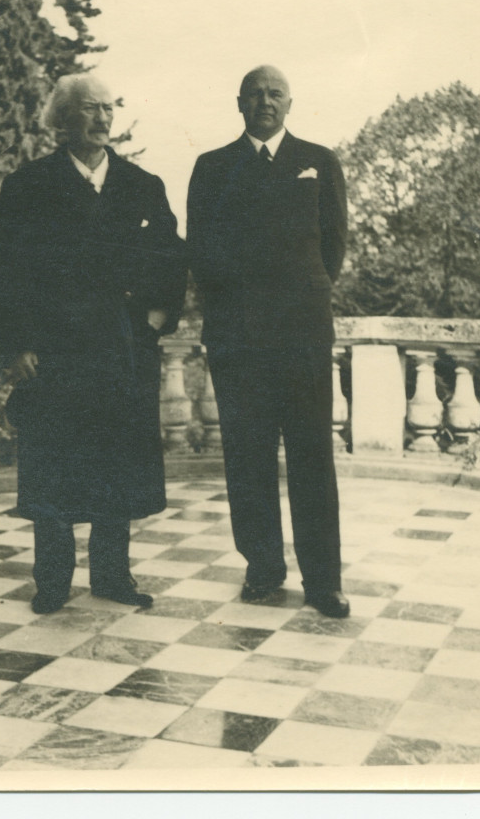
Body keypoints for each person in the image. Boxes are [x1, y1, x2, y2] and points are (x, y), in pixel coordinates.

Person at [0, 74, 186, 613]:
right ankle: (52, 581)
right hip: (57, 350)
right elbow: (7, 271)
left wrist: (155, 316)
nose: (103, 118)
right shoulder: (28, 186)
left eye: (109, 108)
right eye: (90, 109)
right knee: (54, 462)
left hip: (123, 349)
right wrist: (20, 343)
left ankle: (112, 576)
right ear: (63, 119)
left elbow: (171, 255)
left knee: (116, 461)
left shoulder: (142, 184)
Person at [187, 65, 349, 617]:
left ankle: (324, 580)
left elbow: (334, 248)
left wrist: (298, 298)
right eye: (255, 94)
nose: (265, 101)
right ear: (238, 103)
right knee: (247, 455)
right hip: (238, 340)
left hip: (303, 335)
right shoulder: (212, 168)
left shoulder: (319, 161)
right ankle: (262, 568)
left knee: (312, 455)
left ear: (290, 103)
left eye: (275, 93)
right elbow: (202, 253)